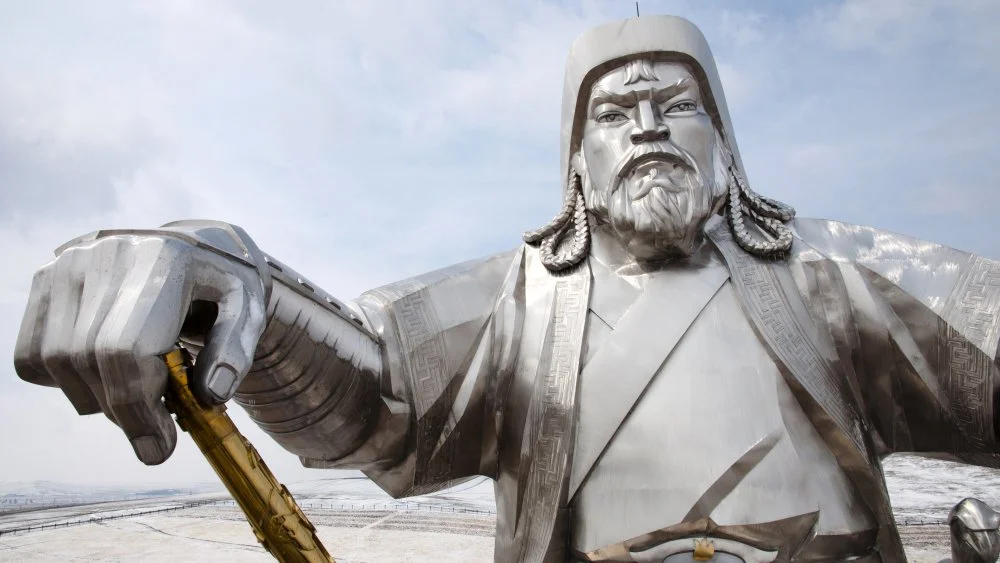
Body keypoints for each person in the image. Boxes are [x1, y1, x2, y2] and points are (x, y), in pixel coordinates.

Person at [14, 15, 1000, 563]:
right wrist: (241, 282)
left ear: (725, 142)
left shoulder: (831, 278)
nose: (648, 126)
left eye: (677, 104)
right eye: (614, 111)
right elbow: (370, 396)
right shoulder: (520, 303)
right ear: (574, 162)